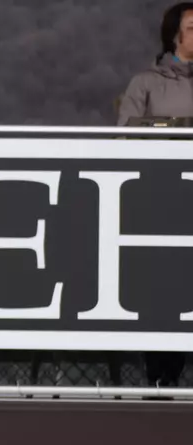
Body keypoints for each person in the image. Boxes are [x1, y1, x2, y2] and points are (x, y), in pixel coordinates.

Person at [117, 3, 193, 388]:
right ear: (174, 36)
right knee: (164, 290)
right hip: (159, 201)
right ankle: (160, 378)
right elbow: (125, 136)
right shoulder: (145, 83)